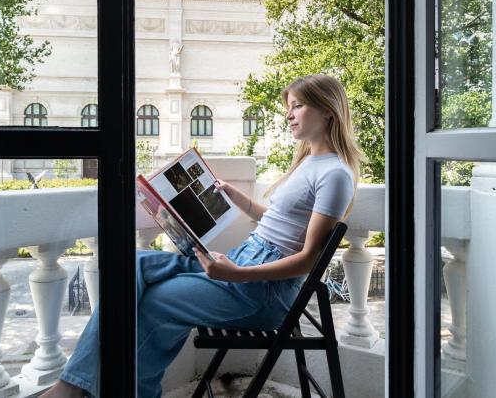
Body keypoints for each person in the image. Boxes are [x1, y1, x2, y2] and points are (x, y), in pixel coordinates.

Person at [40, 74, 364, 398]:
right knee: (129, 263)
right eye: (288, 107)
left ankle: (77, 388)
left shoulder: (334, 174)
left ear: (328, 110)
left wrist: (237, 275)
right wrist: (242, 201)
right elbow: (283, 223)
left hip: (261, 291)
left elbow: (309, 258)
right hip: (245, 262)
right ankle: (78, 385)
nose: (289, 114)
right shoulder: (310, 163)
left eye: (298, 105)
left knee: (153, 303)